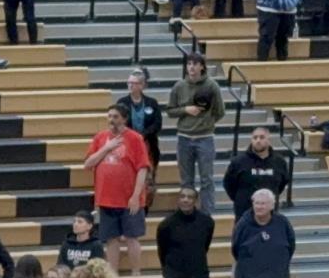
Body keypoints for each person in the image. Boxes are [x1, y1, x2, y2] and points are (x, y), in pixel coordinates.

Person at [82, 105, 151, 278]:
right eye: (109, 116)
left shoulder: (135, 139)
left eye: (115, 116)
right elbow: (88, 163)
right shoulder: (100, 138)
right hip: (106, 198)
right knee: (111, 238)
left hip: (129, 199)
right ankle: (112, 275)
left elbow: (142, 168)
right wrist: (106, 148)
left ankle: (136, 273)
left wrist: (136, 196)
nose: (111, 120)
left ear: (124, 119)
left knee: (132, 236)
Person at [167, 54, 225, 215]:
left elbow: (220, 111)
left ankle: (207, 214)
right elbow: (170, 111)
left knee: (207, 179)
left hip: (205, 138)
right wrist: (185, 110)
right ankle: (187, 212)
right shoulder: (179, 86)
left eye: (195, 64)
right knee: (186, 180)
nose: (191, 67)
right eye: (189, 64)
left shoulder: (212, 86)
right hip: (184, 138)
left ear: (202, 67)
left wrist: (206, 123)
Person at [223, 126, 289, 218]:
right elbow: (228, 184)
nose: (258, 140)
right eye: (255, 137)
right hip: (244, 213)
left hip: (270, 214)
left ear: (269, 140)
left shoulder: (279, 162)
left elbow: (282, 184)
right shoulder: (238, 162)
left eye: (262, 137)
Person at [232, 189, 295, 278]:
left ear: (272, 206)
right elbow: (235, 249)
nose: (259, 207)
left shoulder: (283, 222)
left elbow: (291, 246)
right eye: (256, 203)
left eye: (263, 203)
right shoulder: (243, 224)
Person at [156, 187, 214, 278]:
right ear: (178, 200)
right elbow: (162, 252)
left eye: (189, 197)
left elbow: (205, 246)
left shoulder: (207, 222)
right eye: (182, 197)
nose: (185, 200)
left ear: (196, 201)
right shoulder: (166, 225)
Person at [113, 71, 163, 173]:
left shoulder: (152, 102)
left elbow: (157, 123)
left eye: (134, 83)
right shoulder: (121, 102)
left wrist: (143, 135)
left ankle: (149, 183)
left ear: (141, 85)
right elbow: (117, 122)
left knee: (147, 168)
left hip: (148, 141)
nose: (130, 85)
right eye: (129, 82)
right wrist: (133, 136)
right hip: (127, 141)